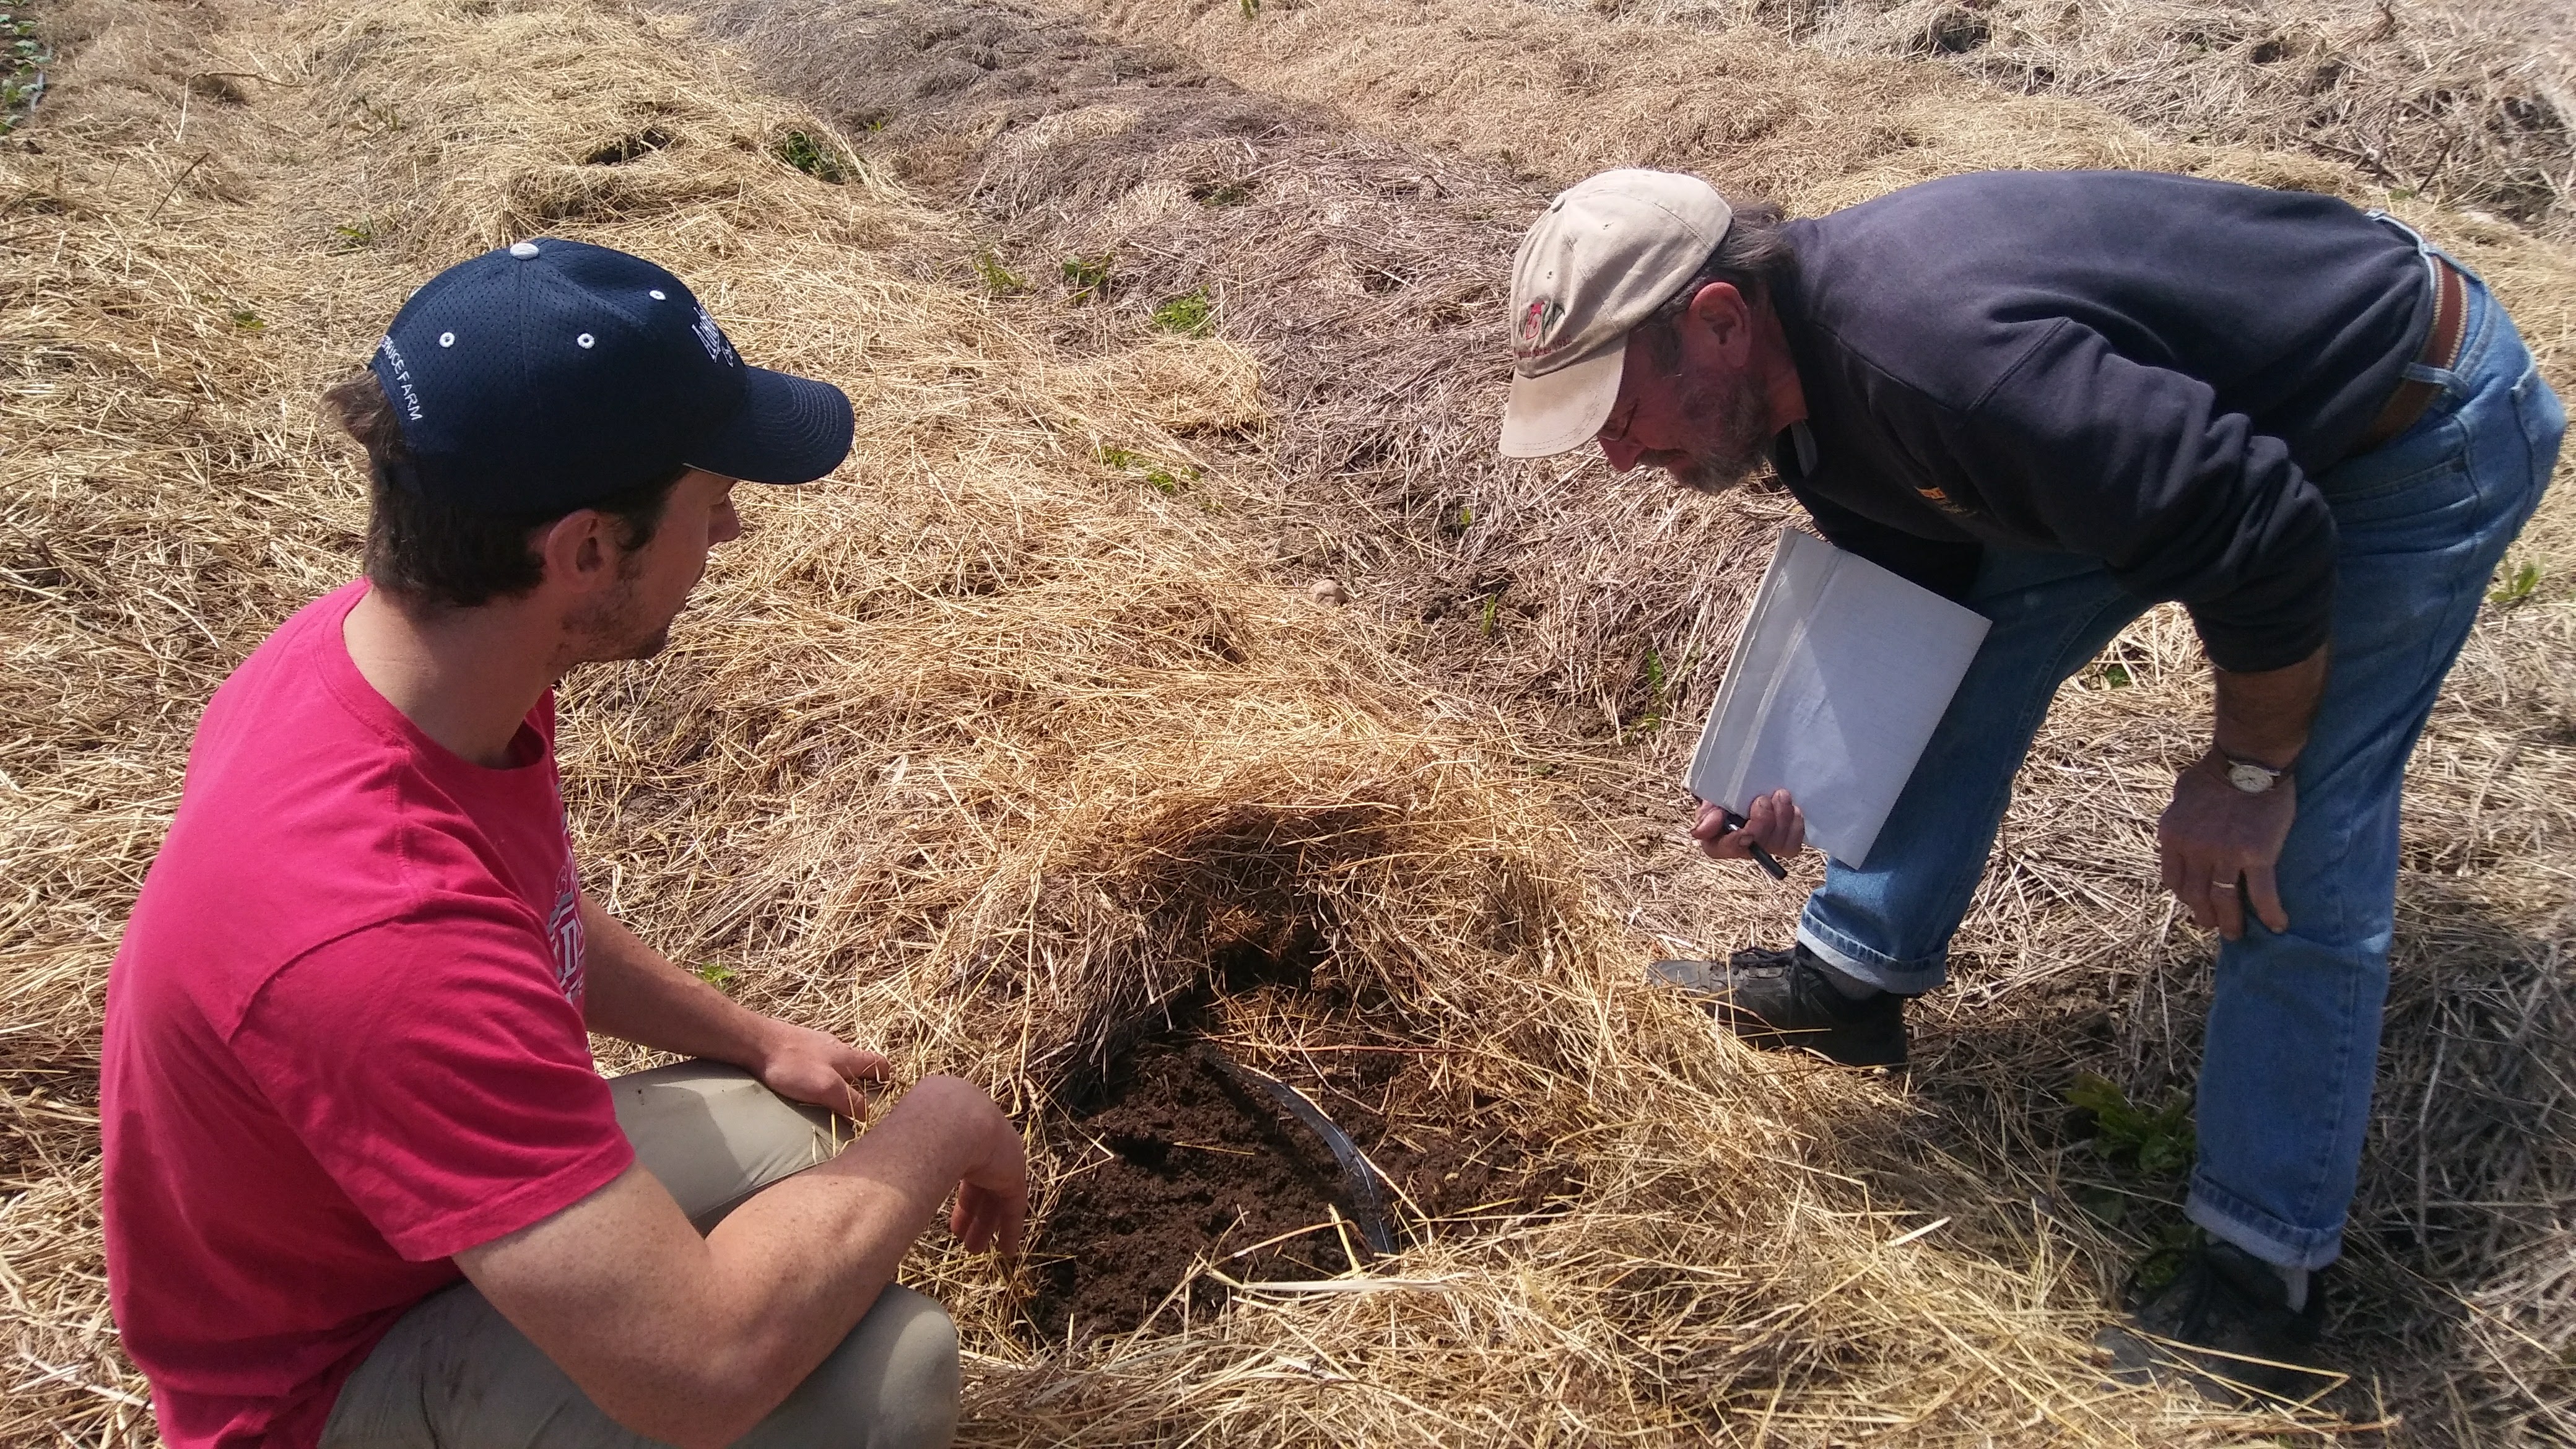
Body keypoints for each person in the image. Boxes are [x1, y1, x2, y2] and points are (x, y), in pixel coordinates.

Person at [1496, 169, 2562, 1398]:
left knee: (2297, 838)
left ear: (1720, 321)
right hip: (2194, 444)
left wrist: (2246, 768)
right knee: (1984, 637)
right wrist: (1798, 779)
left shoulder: (1952, 369)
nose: (1617, 459)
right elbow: (1922, 592)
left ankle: (2262, 1278)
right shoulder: (1793, 399)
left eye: (1618, 413)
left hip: (2402, 428)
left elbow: (2259, 531)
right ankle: (1853, 980)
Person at [100, 238, 1028, 1449]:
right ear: (586, 552)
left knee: (786, 1126)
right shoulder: (374, 936)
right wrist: (950, 1119)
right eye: (706, 504)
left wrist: (756, 1034)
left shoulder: (410, 662)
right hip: (317, 1377)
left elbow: (519, 909)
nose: (733, 531)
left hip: (372, 1235)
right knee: (886, 1379)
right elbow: (701, 1377)